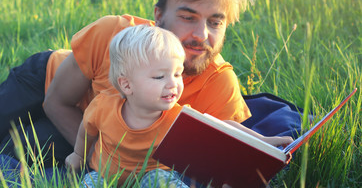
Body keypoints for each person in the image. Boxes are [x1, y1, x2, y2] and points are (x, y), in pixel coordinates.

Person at [0, 0, 253, 164]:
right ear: (159, 16)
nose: (201, 35)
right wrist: (101, 164)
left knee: (24, 148)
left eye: (215, 22)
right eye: (188, 17)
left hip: (94, 131)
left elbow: (227, 164)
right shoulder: (112, 33)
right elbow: (56, 102)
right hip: (46, 83)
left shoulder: (219, 83)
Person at [65, 25, 293, 187]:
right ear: (127, 84)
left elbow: (223, 127)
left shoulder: (176, 117)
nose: (173, 84)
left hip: (152, 176)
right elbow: (87, 131)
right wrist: (77, 154)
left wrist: (264, 142)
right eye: (159, 77)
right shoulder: (104, 106)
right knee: (90, 183)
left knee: (163, 182)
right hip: (107, 176)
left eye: (177, 74)